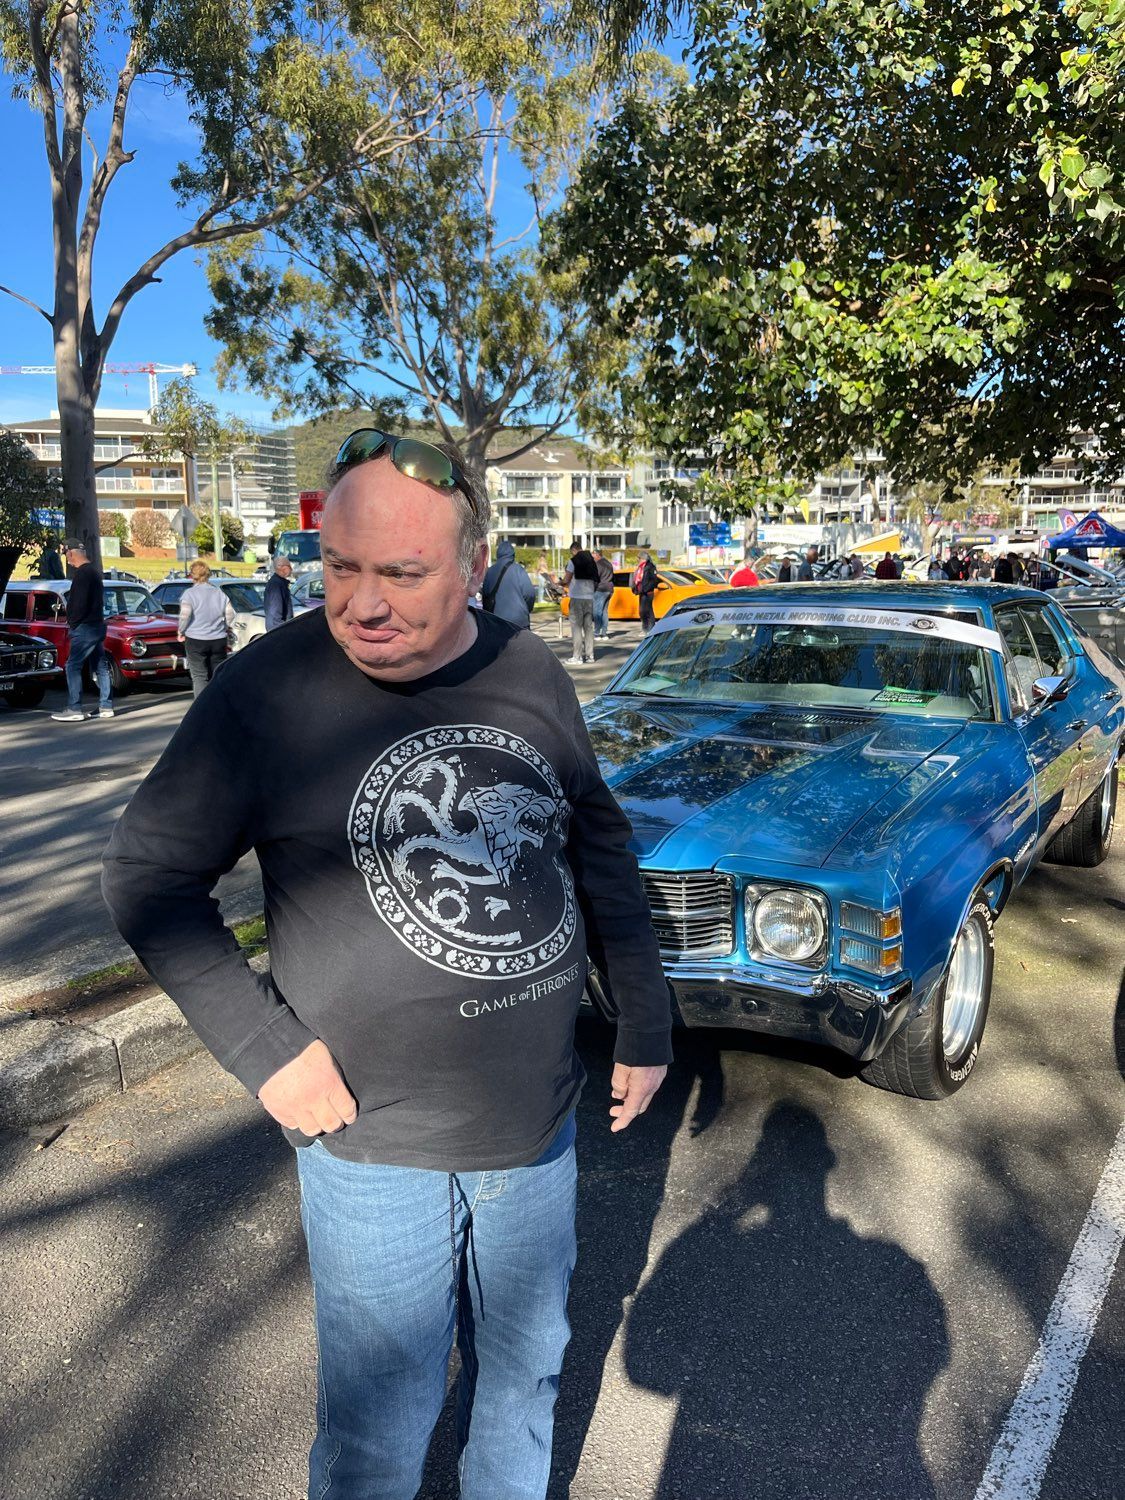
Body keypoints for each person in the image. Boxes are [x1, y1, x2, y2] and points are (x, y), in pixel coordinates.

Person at [102, 428, 671, 1500]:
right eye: (340, 567)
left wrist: (643, 1017)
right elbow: (147, 877)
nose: (362, 604)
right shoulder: (266, 690)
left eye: (402, 574)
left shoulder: (527, 667)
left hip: (535, 1124)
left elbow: (596, 841)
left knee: (526, 1381)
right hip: (370, 1145)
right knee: (377, 1433)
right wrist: (267, 1050)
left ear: (472, 567)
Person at [51, 539, 112, 722]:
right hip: (97, 625)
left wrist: (73, 622)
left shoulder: (82, 574)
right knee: (100, 665)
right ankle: (106, 706)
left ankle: (74, 708)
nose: (67, 559)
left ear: (71, 553)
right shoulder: (94, 572)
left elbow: (79, 603)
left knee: (72, 665)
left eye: (66, 555)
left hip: (85, 627)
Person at [177, 560, 236, 697]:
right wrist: (225, 627)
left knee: (199, 676)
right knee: (217, 673)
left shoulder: (189, 594)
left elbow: (185, 616)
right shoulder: (219, 593)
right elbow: (230, 614)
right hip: (218, 639)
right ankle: (218, 702)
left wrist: (181, 631)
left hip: (195, 639)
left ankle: (201, 706)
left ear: (192, 575)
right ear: (208, 575)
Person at [481, 538, 537, 630]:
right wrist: (527, 609)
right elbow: (529, 593)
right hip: (519, 620)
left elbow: (485, 595)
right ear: (513, 554)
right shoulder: (519, 570)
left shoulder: (490, 571)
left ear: (498, 554)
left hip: (496, 620)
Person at [564, 539, 599, 664]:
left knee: (576, 628)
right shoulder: (592, 562)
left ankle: (577, 656)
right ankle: (590, 656)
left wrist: (557, 582)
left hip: (577, 598)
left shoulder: (573, 561)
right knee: (588, 628)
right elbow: (596, 580)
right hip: (589, 597)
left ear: (574, 550)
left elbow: (566, 580)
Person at [631, 550, 659, 632]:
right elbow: (637, 579)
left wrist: (646, 588)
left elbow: (654, 580)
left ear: (643, 558)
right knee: (642, 611)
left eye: (638, 558)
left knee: (647, 611)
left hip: (648, 592)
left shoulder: (650, 567)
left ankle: (650, 629)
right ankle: (646, 628)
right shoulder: (640, 567)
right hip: (641, 592)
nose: (637, 560)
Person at [264, 557, 294, 630]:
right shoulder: (276, 585)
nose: (291, 569)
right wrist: (284, 630)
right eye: (289, 566)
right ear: (283, 568)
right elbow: (275, 614)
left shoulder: (279, 583)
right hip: (278, 630)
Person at [592, 548, 615, 638]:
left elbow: (595, 578)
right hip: (609, 589)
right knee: (604, 611)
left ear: (597, 555)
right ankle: (604, 633)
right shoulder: (608, 563)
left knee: (597, 611)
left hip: (600, 589)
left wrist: (592, 589)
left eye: (593, 555)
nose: (592, 557)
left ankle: (597, 633)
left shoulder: (598, 564)